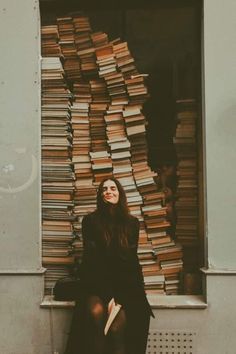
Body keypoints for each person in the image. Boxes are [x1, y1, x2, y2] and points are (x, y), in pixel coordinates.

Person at [65, 177, 154, 354]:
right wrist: (108, 296)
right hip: (96, 283)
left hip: (125, 285)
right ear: (100, 195)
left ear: (120, 194)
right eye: (104, 189)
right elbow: (92, 261)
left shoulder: (132, 223)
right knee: (95, 313)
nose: (108, 191)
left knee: (116, 327)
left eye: (113, 188)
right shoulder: (90, 221)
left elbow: (131, 261)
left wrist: (122, 295)